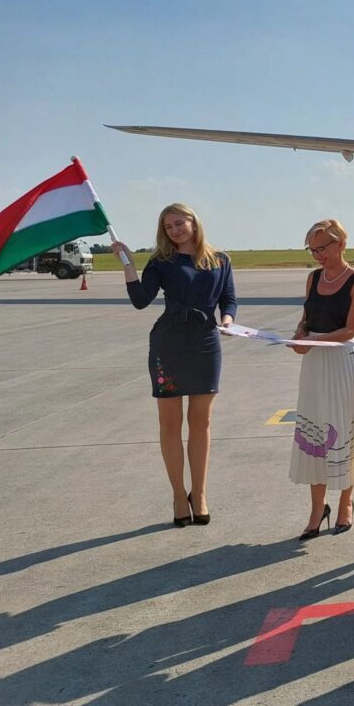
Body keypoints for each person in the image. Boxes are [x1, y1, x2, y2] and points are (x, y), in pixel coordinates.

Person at [115, 203, 237, 527]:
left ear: (194, 222)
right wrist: (128, 263)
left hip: (205, 344)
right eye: (168, 227)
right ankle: (177, 494)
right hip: (168, 345)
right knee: (170, 424)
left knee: (201, 422)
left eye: (179, 223)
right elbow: (141, 299)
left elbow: (229, 299)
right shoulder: (161, 262)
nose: (174, 230)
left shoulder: (220, 260)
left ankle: (199, 494)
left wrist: (227, 319)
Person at [289, 219, 354, 540]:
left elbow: (352, 330)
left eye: (323, 247)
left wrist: (313, 342)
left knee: (343, 426)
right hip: (314, 364)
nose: (318, 254)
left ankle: (346, 501)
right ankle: (316, 507)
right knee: (314, 429)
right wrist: (299, 335)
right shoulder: (312, 278)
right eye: (313, 249)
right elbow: (307, 318)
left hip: (342, 360)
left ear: (341, 245)